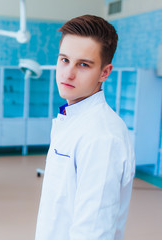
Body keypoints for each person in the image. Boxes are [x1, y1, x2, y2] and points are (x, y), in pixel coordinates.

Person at [35, 15, 135, 240]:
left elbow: (93, 232)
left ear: (104, 72)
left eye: (83, 64)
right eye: (64, 60)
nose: (68, 73)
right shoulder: (72, 118)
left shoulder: (103, 136)